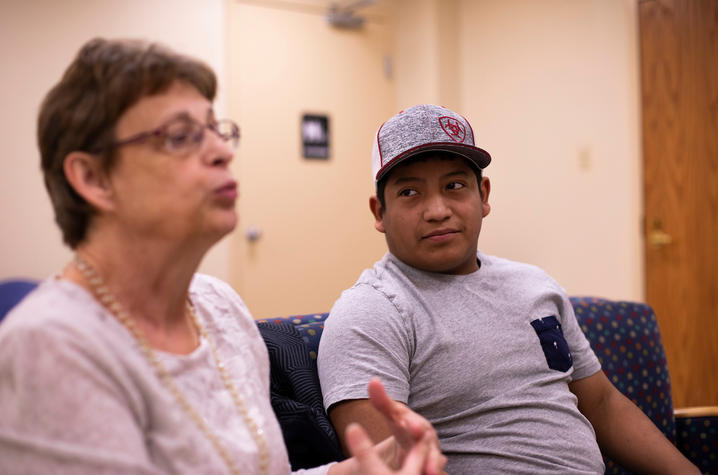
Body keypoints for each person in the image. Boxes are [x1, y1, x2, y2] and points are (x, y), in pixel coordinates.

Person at [0, 39, 446, 475]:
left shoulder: (217, 305)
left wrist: (358, 472)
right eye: (180, 136)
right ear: (94, 178)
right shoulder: (49, 347)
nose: (222, 152)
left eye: (217, 129)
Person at [316, 104, 700, 474]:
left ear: (482, 195)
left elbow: (601, 403)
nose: (437, 210)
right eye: (409, 193)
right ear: (379, 213)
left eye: (454, 185)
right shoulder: (371, 312)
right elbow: (387, 467)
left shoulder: (533, 284)